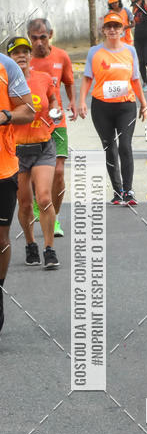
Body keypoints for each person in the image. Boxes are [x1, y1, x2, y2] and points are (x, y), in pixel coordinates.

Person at [78, 12, 147, 206]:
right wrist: (81, 101)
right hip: (102, 107)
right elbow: (87, 78)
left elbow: (135, 79)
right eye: (108, 26)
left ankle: (129, 190)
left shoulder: (130, 51)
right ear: (103, 30)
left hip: (126, 106)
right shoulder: (94, 52)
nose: (112, 30)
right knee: (109, 147)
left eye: (116, 26)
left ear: (122, 29)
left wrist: (143, 103)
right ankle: (118, 192)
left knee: (125, 145)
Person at [7, 37, 60, 270]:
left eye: (25, 52)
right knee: (25, 204)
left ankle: (49, 249)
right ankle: (30, 243)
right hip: (16, 151)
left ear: (30, 56)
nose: (21, 55)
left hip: (43, 147)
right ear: (9, 58)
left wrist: (55, 111)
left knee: (45, 198)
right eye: (16, 52)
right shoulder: (5, 83)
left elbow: (53, 100)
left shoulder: (44, 78)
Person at [28, 17, 76, 238]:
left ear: (51, 35)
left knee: (58, 171)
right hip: (31, 125)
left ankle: (53, 216)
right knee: (32, 174)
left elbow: (69, 82)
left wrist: (73, 102)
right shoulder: (24, 60)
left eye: (43, 37)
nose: (39, 42)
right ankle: (39, 203)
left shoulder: (61, 56)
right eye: (34, 38)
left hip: (56, 123)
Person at [0, 50, 35, 331]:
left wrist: (6, 115)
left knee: (0, 239)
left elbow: (28, 111)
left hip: (3, 168)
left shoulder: (7, 66)